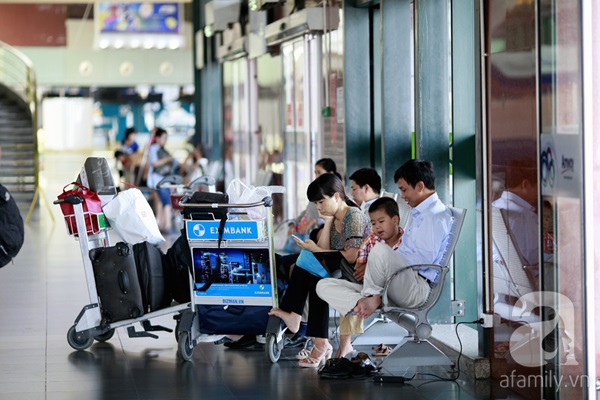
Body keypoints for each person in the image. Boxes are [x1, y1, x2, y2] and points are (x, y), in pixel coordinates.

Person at [317, 160, 453, 324]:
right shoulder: (419, 213)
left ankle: (373, 296)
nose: (402, 195)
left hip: (415, 287)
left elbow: (421, 261)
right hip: (396, 282)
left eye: (404, 189)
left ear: (420, 186)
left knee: (379, 248)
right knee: (323, 286)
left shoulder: (435, 216)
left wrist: (378, 264)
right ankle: (370, 299)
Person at [268, 173, 370, 367]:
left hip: (354, 271)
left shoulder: (353, 216)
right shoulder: (336, 217)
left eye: (321, 201)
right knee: (313, 272)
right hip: (340, 267)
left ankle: (296, 317)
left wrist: (315, 251)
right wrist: (328, 222)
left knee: (307, 260)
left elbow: (352, 255)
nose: (319, 207)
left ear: (337, 197)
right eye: (316, 203)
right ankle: (318, 340)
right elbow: (323, 247)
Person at [317, 196, 403, 358]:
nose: (377, 227)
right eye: (373, 223)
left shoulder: (407, 241)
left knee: (373, 255)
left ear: (395, 219)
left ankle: (345, 344)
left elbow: (405, 271)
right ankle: (362, 302)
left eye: (381, 221)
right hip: (367, 288)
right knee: (322, 285)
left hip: (393, 289)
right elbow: (358, 268)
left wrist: (371, 265)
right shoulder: (371, 240)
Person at [491, 158, 538, 266]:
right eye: (537, 187)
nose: (539, 193)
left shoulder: (495, 206)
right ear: (525, 185)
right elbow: (534, 256)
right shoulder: (524, 215)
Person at [147, 128, 179, 233]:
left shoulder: (161, 149)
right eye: (164, 138)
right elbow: (155, 163)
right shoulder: (153, 149)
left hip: (161, 180)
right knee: (165, 201)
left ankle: (160, 224)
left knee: (159, 202)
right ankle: (167, 225)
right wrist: (168, 159)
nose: (165, 140)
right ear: (157, 138)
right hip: (158, 180)